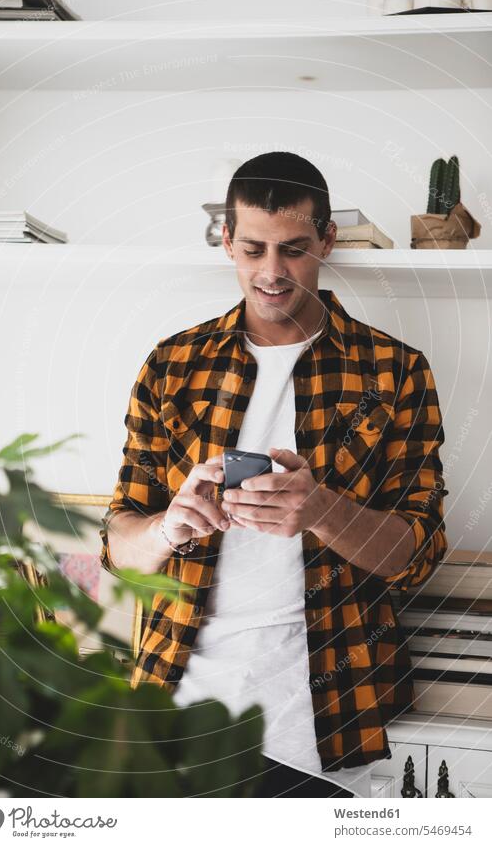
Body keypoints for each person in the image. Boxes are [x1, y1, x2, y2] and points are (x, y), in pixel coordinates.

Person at [100, 152, 448, 798]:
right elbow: (120, 546)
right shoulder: (173, 365)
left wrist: (319, 509)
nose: (270, 272)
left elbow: (416, 552)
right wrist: (168, 527)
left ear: (326, 240)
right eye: (253, 247)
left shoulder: (394, 371)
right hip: (175, 707)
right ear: (225, 239)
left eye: (292, 249)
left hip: (327, 718)